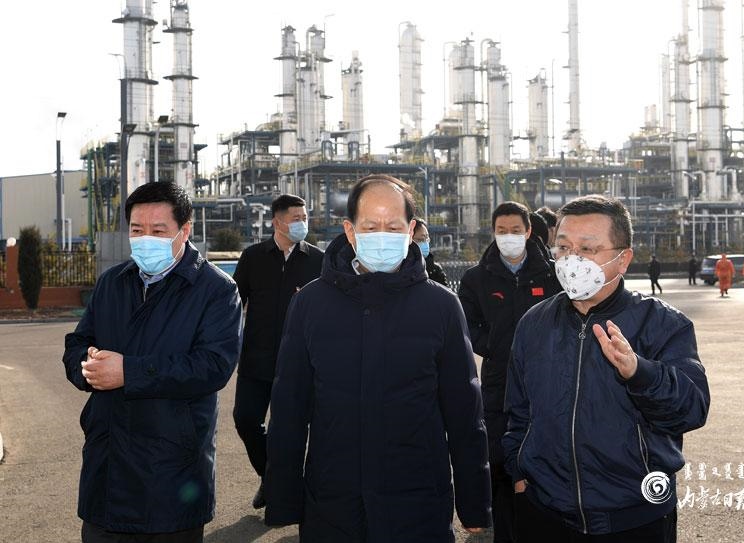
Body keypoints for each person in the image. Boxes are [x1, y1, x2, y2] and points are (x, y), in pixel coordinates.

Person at [264, 174, 491, 541]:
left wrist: (475, 501)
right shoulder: (310, 303)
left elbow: (465, 412)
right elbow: (289, 407)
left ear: (411, 230)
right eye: (370, 226)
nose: (382, 236)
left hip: (418, 502)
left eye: (394, 226)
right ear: (350, 231)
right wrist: (283, 497)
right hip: (333, 501)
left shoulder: (441, 305)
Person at [504, 194, 710, 542]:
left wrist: (640, 373)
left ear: (623, 259)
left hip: (634, 517)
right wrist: (519, 473)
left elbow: (691, 410)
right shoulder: (534, 323)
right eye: (563, 247)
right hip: (544, 512)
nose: (571, 260)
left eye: (587, 249)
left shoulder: (662, 324)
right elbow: (518, 411)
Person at [63, 182, 243, 542]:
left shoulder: (216, 290)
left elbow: (213, 366)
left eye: (158, 231)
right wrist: (88, 365)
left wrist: (128, 372)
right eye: (137, 230)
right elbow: (77, 344)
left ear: (184, 230)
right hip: (107, 467)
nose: (146, 239)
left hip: (171, 473)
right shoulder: (112, 283)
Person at [458, 201, 562, 543]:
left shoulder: (553, 274)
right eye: (502, 231)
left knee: (547, 459)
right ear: (493, 232)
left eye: (516, 230)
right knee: (501, 462)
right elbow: (467, 326)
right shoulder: (476, 278)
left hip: (548, 380)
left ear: (529, 231)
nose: (509, 237)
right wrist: (495, 345)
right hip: (498, 383)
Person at [232, 194, 323, 509]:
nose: (302, 223)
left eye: (305, 218)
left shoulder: (318, 260)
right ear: (277, 222)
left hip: (299, 364)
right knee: (245, 420)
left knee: (289, 432)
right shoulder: (253, 257)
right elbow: (234, 304)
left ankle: (283, 489)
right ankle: (270, 478)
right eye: (296, 218)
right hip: (256, 360)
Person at [412, 216, 449, 287]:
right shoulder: (401, 268)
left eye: (427, 239)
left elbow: (446, 292)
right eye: (420, 239)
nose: (425, 243)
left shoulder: (435, 269)